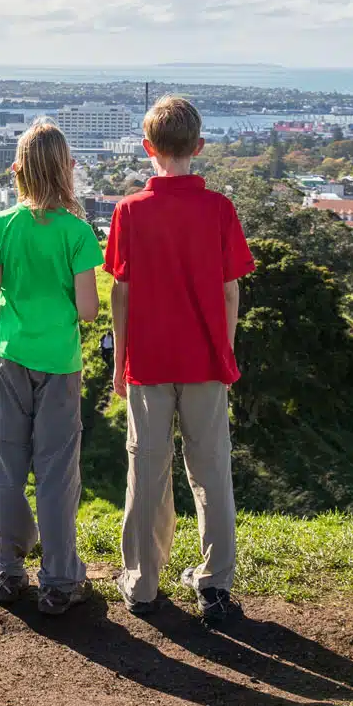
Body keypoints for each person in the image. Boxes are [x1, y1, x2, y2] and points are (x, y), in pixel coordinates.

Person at [105, 96, 255, 627]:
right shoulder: (219, 209)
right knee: (212, 469)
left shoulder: (128, 211)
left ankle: (142, 582)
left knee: (146, 468)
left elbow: (120, 294)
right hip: (207, 360)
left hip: (148, 358)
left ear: (148, 148)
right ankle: (215, 584)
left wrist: (119, 361)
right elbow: (230, 291)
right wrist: (226, 348)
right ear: (199, 147)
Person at [0, 119, 103, 615]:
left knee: (5, 470)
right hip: (60, 363)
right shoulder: (76, 231)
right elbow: (90, 309)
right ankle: (59, 580)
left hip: (7, 357)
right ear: (67, 171)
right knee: (56, 472)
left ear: (17, 171)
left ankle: (7, 573)